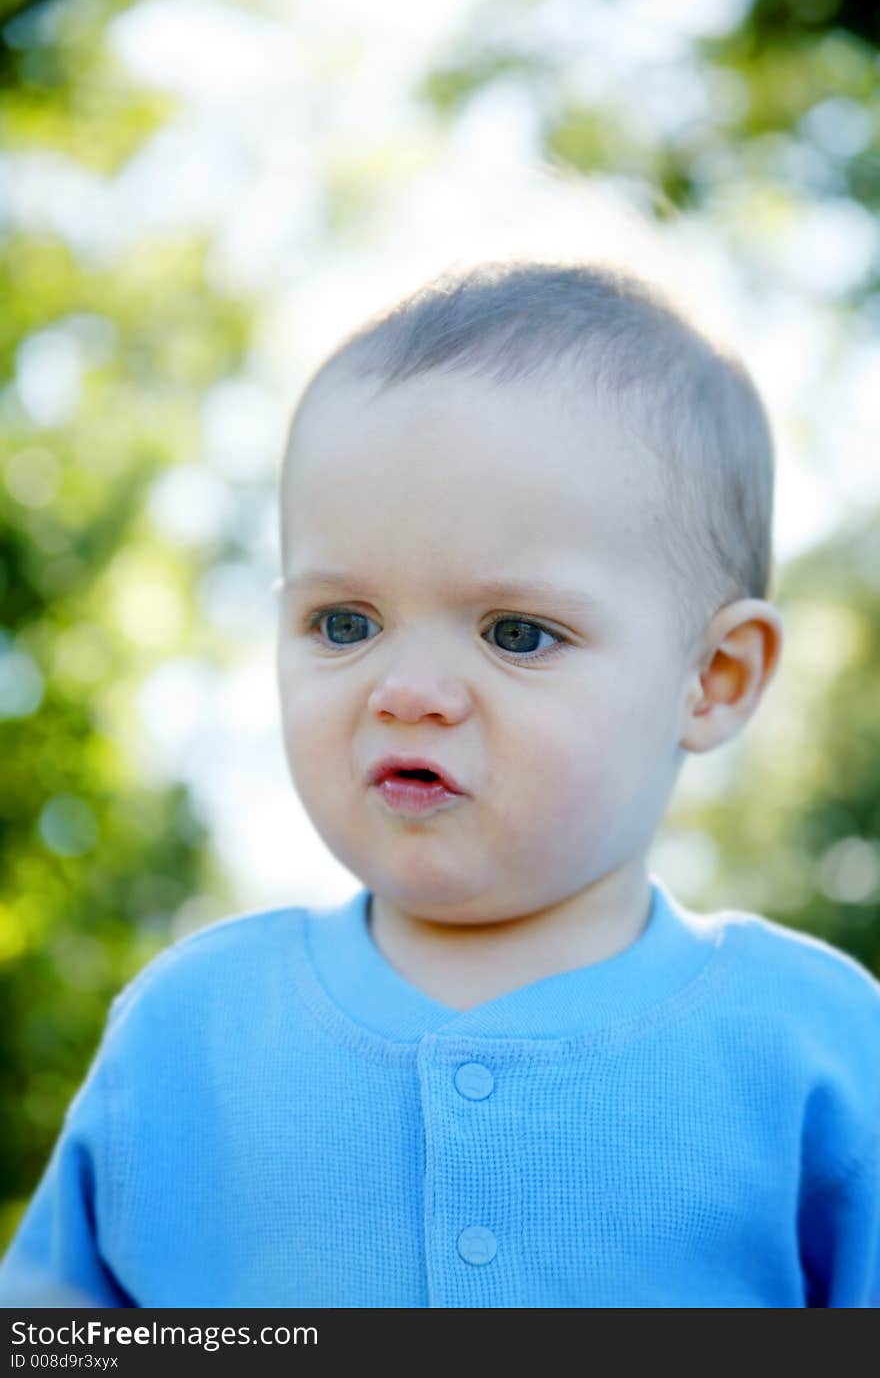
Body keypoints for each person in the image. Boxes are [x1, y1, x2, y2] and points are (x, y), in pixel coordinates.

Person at [2, 260, 878, 1309]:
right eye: (344, 623)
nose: (406, 691)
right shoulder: (189, 1034)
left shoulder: (817, 1045)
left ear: (713, 679)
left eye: (516, 633)